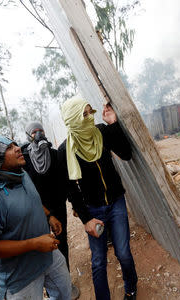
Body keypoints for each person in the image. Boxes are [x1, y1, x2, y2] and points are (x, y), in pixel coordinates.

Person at [59, 96, 138, 300]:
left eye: (89, 113)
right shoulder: (65, 151)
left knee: (123, 253)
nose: (89, 118)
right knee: (98, 262)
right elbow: (71, 189)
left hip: (116, 203)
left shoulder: (102, 132)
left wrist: (113, 124)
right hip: (93, 210)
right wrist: (86, 219)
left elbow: (126, 154)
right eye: (83, 115)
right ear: (72, 120)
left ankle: (131, 288)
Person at [0, 135, 71, 300]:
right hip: (20, 278)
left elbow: (30, 200)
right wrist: (34, 244)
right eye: (9, 148)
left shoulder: (21, 174)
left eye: (15, 144)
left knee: (64, 294)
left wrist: (49, 215)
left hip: (48, 257)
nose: (18, 148)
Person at [21, 122, 81, 299]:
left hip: (58, 207)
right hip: (37, 210)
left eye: (41, 131)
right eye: (34, 132)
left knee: (61, 243)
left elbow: (68, 182)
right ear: (28, 135)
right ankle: (48, 287)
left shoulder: (55, 155)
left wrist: (75, 203)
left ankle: (65, 283)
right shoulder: (24, 160)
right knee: (42, 245)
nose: (38, 134)